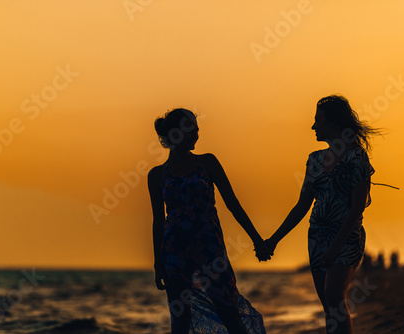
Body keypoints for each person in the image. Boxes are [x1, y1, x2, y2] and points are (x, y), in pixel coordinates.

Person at [263, 95, 380, 334]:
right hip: (316, 236)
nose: (313, 126)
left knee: (335, 299)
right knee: (329, 306)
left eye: (318, 120)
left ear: (334, 122)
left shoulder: (356, 157)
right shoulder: (314, 160)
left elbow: (357, 207)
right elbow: (301, 206)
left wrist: (335, 247)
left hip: (345, 237)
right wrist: (273, 240)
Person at [147, 108, 268, 334]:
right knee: (180, 322)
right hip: (174, 253)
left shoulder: (207, 163)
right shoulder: (157, 175)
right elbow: (158, 221)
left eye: (197, 130)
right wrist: (157, 264)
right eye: (191, 129)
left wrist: (256, 239)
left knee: (229, 313)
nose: (196, 134)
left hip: (210, 250)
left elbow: (233, 204)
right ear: (175, 133)